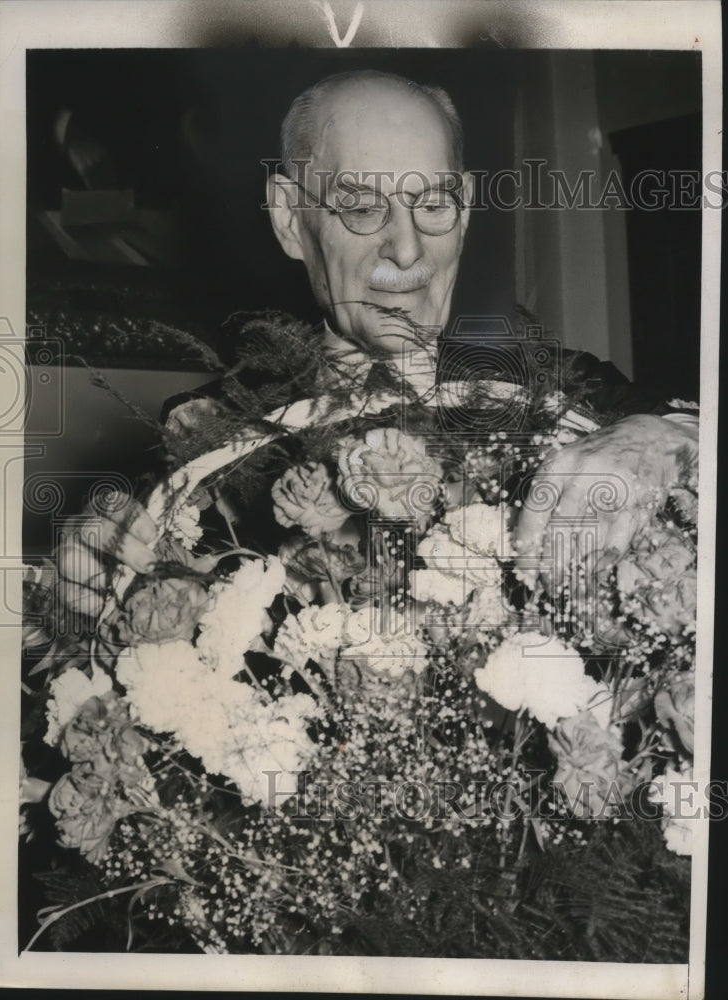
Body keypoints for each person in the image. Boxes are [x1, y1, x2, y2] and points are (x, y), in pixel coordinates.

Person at [56, 69, 698, 615]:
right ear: (289, 220)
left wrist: (660, 442)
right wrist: (77, 591)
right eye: (362, 207)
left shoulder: (560, 394)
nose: (409, 246)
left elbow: (695, 436)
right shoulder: (212, 442)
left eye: (436, 204)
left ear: (466, 209)